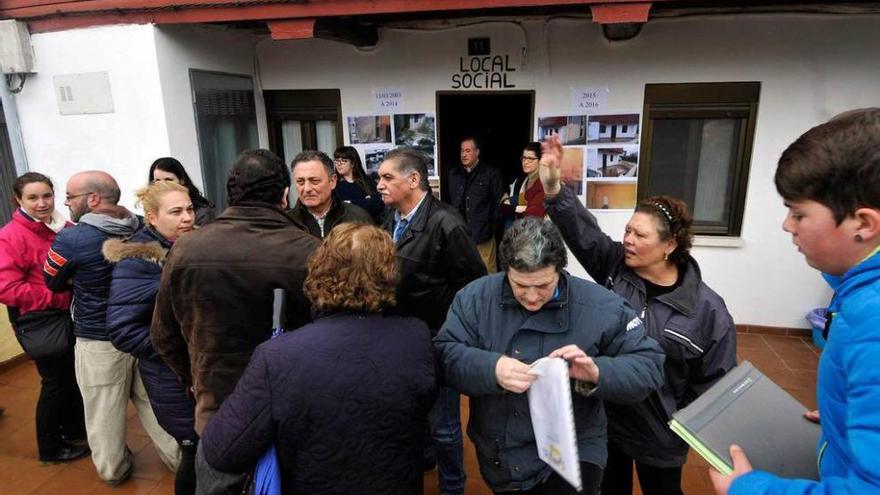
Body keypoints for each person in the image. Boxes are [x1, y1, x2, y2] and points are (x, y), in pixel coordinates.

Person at [539, 136, 737, 495]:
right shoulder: (615, 266)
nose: (627, 239)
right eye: (627, 230)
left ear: (670, 246)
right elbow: (583, 232)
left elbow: (715, 384)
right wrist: (554, 188)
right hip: (608, 420)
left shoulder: (706, 310)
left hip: (659, 438)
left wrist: (676, 425)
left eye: (639, 235)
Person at [711, 108, 880, 495]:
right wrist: (846, 416)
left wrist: (751, 489)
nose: (787, 225)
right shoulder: (858, 296)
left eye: (798, 212)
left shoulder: (873, 320)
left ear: (864, 224)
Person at [434, 217, 666, 495]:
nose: (532, 297)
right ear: (505, 270)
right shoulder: (474, 298)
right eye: (520, 286)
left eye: (543, 286)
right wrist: (491, 369)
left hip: (576, 445)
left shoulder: (601, 305)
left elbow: (649, 364)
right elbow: (445, 354)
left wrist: (596, 373)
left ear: (560, 270)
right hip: (502, 449)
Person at [200, 223, 437, 494]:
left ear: (319, 270)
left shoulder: (277, 357)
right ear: (388, 274)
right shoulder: (416, 337)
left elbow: (222, 451)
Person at [151, 149, 320, 493]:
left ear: (231, 194)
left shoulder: (186, 249)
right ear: (284, 195)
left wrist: (196, 377)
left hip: (217, 407)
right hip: (290, 409)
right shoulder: (310, 251)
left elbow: (164, 335)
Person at [43, 171, 179, 485]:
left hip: (99, 339)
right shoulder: (144, 226)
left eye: (70, 196)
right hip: (143, 333)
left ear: (93, 199)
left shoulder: (72, 238)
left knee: (103, 409)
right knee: (154, 402)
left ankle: (113, 470)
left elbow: (52, 280)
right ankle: (180, 460)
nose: (66, 202)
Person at [377, 148, 487, 495]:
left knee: (444, 425)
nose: (379, 185)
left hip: (437, 339)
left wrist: (453, 334)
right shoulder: (389, 217)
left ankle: (452, 486)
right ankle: (425, 460)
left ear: (413, 180)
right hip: (399, 337)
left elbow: (474, 286)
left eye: (387, 177)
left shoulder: (446, 223)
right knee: (414, 416)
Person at [104, 181, 198, 495]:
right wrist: (177, 349)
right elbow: (122, 330)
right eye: (176, 212)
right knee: (193, 452)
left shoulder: (191, 246)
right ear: (152, 218)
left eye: (189, 209)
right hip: (171, 378)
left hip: (198, 373)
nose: (186, 217)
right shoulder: (137, 262)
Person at [0, 172, 89, 464]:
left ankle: (75, 430)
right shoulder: (10, 236)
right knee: (54, 383)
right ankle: (50, 448)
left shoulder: (62, 227)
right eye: (33, 198)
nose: (42, 203)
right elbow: (7, 288)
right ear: (19, 200)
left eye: (47, 196)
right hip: (42, 320)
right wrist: (58, 299)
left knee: (70, 378)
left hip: (67, 316)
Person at [446, 136, 505, 273]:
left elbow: (499, 204)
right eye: (462, 151)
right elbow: (449, 203)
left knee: (487, 272)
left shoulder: (490, 173)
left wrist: (490, 227)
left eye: (468, 151)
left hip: (483, 234)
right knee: (463, 272)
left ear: (477, 152)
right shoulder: (453, 174)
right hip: (460, 236)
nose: (464, 154)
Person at [287, 150, 373, 238]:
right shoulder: (286, 223)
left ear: (332, 181)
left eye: (315, 181)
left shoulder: (358, 218)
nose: (307, 188)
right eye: (300, 182)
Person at [149, 157, 216, 226]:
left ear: (182, 181)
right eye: (158, 181)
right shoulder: (153, 209)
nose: (163, 185)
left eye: (168, 180)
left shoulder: (201, 212)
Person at [498, 142, 547, 225]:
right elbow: (502, 206)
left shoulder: (544, 184)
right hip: (514, 231)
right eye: (523, 158)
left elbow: (531, 215)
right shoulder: (517, 183)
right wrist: (519, 208)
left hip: (534, 233)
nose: (525, 162)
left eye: (530, 158)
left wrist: (513, 209)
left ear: (540, 160)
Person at [333, 145, 384, 222]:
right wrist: (365, 201)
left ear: (352, 164)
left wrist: (351, 202)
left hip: (371, 226)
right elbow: (341, 209)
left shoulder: (367, 181)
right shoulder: (335, 185)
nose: (339, 164)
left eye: (344, 161)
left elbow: (378, 203)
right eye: (337, 160)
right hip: (348, 227)